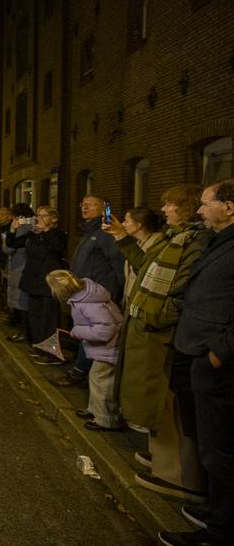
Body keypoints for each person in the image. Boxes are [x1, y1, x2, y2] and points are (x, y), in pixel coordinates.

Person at [105, 185, 210, 504]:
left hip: (163, 333)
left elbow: (185, 292)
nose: (163, 210)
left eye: (170, 205)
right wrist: (122, 238)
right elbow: (144, 266)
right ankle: (162, 457)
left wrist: (156, 316)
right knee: (157, 401)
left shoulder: (194, 243)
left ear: (187, 208)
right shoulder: (172, 238)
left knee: (166, 400)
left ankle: (176, 474)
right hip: (150, 329)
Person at [159, 180, 234, 546]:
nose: (200, 210)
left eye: (206, 203)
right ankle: (218, 510)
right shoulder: (217, 240)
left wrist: (219, 353)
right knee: (210, 443)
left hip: (217, 361)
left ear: (229, 207)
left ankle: (220, 531)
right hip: (197, 350)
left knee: (221, 448)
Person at [57, 195, 126, 388]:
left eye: (90, 205)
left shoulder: (105, 233)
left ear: (103, 208)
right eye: (83, 204)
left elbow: (118, 263)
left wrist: (117, 292)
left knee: (92, 335)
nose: (84, 208)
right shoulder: (89, 232)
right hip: (85, 295)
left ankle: (80, 373)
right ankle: (81, 371)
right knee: (85, 333)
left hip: (97, 295)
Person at [46, 270, 124, 431]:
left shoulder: (88, 303)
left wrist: (78, 331)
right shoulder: (87, 296)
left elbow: (104, 331)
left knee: (101, 382)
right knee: (96, 379)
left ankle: (106, 420)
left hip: (109, 349)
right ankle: (95, 411)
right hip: (106, 348)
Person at [5, 206, 67, 364]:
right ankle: (40, 349)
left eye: (43, 215)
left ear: (53, 219)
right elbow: (13, 243)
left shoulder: (58, 234)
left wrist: (45, 231)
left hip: (48, 284)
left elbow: (57, 247)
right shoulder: (34, 234)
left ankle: (53, 355)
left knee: (49, 321)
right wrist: (12, 229)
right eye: (38, 215)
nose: (39, 218)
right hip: (33, 282)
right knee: (36, 318)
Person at [3, 203, 34, 342]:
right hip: (28, 267)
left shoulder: (20, 229)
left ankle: (24, 332)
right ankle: (26, 331)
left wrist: (6, 237)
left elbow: (9, 249)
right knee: (25, 301)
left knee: (21, 302)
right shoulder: (34, 227)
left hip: (19, 267)